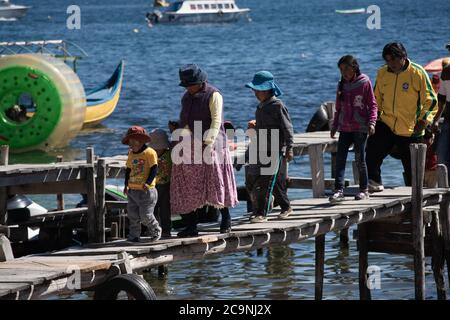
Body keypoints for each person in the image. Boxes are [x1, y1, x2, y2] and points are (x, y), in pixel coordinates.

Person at [170, 64, 237, 237]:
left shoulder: (214, 95)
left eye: (191, 84)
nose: (188, 88)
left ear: (201, 82)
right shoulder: (186, 98)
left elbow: (216, 121)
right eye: (186, 85)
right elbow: (184, 121)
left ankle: (226, 219)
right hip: (190, 145)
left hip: (212, 143)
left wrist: (209, 141)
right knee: (186, 182)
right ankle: (192, 226)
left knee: (216, 181)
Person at [366, 42, 437, 190]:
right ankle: (375, 182)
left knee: (412, 168)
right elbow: (376, 98)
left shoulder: (417, 73)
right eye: (387, 60)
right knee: (372, 150)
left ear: (403, 56)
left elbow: (431, 100)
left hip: (411, 128)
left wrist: (424, 120)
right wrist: (373, 117)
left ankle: (415, 195)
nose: (390, 63)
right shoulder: (382, 72)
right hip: (387, 122)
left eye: (393, 59)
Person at [244, 71, 294, 223]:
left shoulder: (278, 106)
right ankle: (286, 207)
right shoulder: (260, 107)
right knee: (274, 181)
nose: (255, 93)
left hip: (275, 149)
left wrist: (289, 147)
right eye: (254, 90)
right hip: (262, 149)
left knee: (267, 182)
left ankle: (261, 214)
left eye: (257, 90)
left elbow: (287, 128)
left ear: (266, 90)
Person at [329, 55, 378, 202]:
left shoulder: (364, 82)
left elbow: (373, 104)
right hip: (345, 127)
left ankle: (364, 189)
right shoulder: (341, 85)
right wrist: (335, 125)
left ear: (354, 67)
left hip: (360, 127)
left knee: (359, 159)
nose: (344, 72)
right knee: (340, 158)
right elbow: (338, 107)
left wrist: (372, 122)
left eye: (347, 69)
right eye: (341, 70)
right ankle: (338, 190)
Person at [122, 126, 162, 242]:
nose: (131, 144)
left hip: (147, 191)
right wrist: (126, 185)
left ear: (141, 141)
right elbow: (128, 169)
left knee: (145, 216)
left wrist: (148, 183)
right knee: (132, 215)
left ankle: (155, 229)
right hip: (132, 190)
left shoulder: (149, 152)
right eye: (130, 142)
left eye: (134, 141)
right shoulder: (131, 154)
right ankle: (134, 235)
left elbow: (154, 168)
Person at [148, 128, 172, 238]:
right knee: (152, 209)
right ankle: (154, 230)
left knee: (165, 209)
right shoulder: (150, 155)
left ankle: (166, 231)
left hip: (166, 185)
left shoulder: (170, 154)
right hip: (152, 186)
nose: (157, 150)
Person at [432, 58, 450, 182]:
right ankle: (446, 189)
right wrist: (436, 120)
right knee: (441, 156)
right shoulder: (445, 73)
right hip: (448, 119)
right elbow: (442, 100)